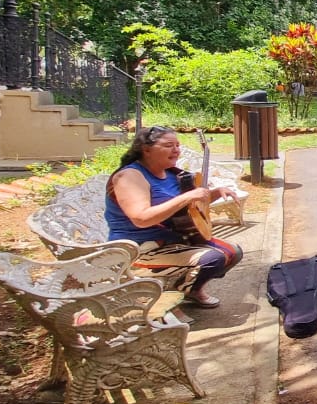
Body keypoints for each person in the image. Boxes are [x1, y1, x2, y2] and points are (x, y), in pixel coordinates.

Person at [104, 126, 243, 309]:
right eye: (169, 145)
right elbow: (141, 218)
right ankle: (170, 295)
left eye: (177, 145)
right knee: (212, 259)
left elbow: (187, 209)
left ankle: (191, 290)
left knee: (233, 252)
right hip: (139, 249)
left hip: (173, 241)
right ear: (146, 149)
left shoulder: (171, 173)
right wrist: (187, 197)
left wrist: (215, 193)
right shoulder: (130, 176)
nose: (176, 150)